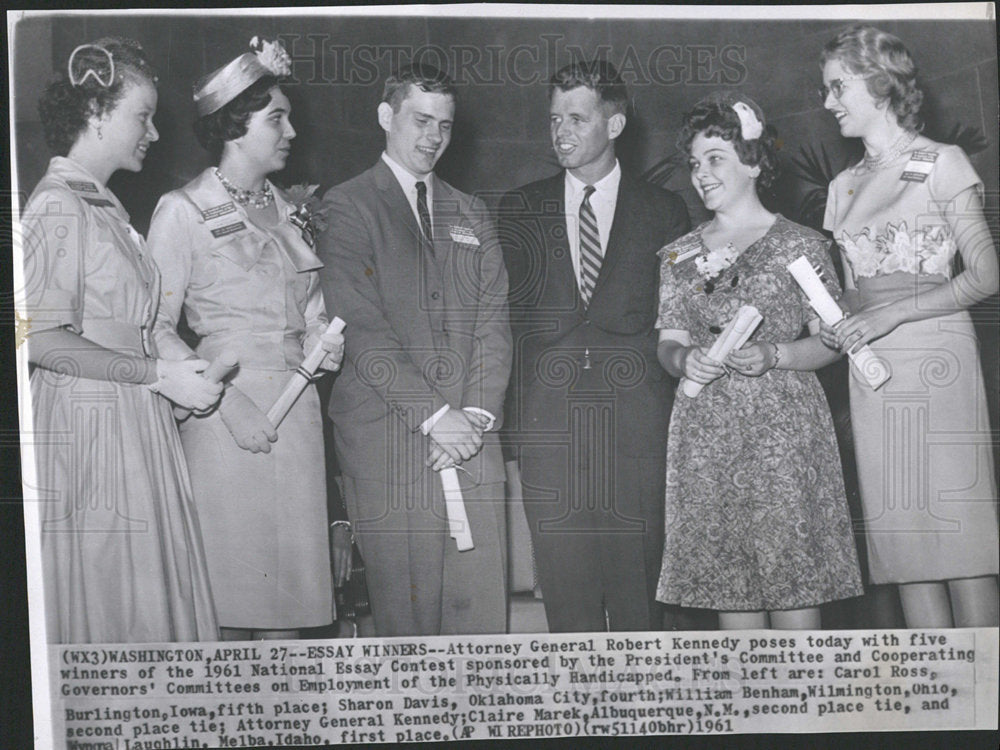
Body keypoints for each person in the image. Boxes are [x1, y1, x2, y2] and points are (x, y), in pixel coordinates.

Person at [23, 38, 222, 643]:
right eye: (143, 116)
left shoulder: (100, 205)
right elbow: (37, 339)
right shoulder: (57, 205)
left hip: (134, 420)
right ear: (96, 112)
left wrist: (178, 376)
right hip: (91, 429)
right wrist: (156, 375)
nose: (154, 133)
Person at [148, 38, 345, 641]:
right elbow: (151, 327)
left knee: (291, 618)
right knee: (227, 617)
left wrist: (322, 339)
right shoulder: (182, 210)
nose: (291, 132)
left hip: (297, 418)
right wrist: (225, 402)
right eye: (276, 119)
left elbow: (311, 309)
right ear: (235, 126)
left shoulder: (290, 212)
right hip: (222, 419)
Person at [655, 92, 863, 630]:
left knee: (796, 591)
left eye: (715, 158)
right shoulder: (678, 255)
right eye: (695, 163)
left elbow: (833, 340)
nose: (701, 173)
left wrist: (777, 354)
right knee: (733, 599)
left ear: (752, 162)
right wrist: (684, 358)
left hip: (786, 436)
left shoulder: (801, 245)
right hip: (708, 436)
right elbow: (668, 343)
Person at [316, 64, 512, 637]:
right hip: (390, 443)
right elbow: (361, 327)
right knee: (407, 626)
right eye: (421, 120)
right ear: (386, 116)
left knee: (480, 623)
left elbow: (493, 324)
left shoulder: (470, 211)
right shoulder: (347, 205)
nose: (433, 137)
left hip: (471, 440)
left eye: (444, 125)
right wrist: (434, 415)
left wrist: (473, 416)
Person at [497, 60, 692, 633]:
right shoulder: (519, 208)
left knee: (639, 606)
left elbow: (678, 322)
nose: (560, 131)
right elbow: (507, 326)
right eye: (554, 118)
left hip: (637, 434)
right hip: (550, 437)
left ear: (614, 125)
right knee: (567, 607)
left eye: (576, 118)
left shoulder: (664, 211)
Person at [818, 25, 999, 628]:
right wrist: (833, 321)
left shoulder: (942, 161)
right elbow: (852, 291)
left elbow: (986, 275)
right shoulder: (841, 186)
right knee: (906, 551)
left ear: (879, 83)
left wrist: (891, 314)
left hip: (938, 360)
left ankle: (984, 683)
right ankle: (939, 687)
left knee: (962, 542)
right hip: (873, 373)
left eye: (838, 87)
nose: (828, 102)